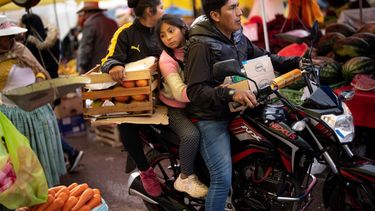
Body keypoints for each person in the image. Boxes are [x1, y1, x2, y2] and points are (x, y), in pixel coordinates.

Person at [185, 0, 303, 210]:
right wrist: (232, 94)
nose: (240, 12)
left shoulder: (237, 36)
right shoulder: (201, 44)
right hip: (212, 117)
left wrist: (295, 62)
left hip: (240, 109)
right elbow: (195, 91)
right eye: (232, 8)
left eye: (238, 5)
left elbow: (263, 57)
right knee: (221, 180)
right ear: (215, 15)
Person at [101, 0, 164, 197]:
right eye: (161, 7)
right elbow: (108, 58)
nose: (164, 10)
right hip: (136, 99)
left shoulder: (163, 29)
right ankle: (145, 172)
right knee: (126, 123)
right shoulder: (126, 33)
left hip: (165, 93)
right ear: (149, 10)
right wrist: (113, 66)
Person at [0, 15, 66, 187]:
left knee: (41, 155)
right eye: (6, 36)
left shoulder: (20, 49)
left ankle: (47, 194)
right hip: (12, 118)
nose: (11, 39)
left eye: (10, 35)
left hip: (36, 111)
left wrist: (38, 79)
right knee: (21, 162)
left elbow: (40, 71)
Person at [20, 13, 84, 173]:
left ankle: (70, 152)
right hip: (54, 84)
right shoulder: (53, 39)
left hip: (39, 88)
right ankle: (65, 154)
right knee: (50, 124)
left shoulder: (28, 46)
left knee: (47, 127)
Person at [155, 14, 208, 198]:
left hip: (193, 103)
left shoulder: (194, 45)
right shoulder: (166, 60)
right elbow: (178, 92)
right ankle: (186, 177)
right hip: (174, 107)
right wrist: (208, 94)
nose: (168, 38)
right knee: (191, 135)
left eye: (171, 31)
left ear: (183, 28)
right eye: (163, 35)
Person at [77, 1, 118, 73]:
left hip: (96, 69)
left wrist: (81, 67)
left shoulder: (90, 24)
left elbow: (85, 50)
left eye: (84, 13)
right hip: (113, 66)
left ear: (88, 12)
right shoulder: (112, 22)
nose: (84, 16)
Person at [20, 13, 60, 79]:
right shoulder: (55, 40)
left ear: (27, 27)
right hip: (55, 78)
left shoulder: (28, 45)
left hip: (39, 81)